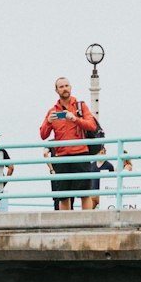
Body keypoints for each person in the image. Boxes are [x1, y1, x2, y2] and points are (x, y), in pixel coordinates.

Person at [39, 77, 98, 210]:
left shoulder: (80, 106)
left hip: (81, 154)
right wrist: (48, 122)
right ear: (56, 90)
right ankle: (65, 225)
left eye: (67, 85)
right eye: (61, 86)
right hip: (61, 157)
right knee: (63, 195)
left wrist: (75, 119)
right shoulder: (52, 111)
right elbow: (43, 135)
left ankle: (86, 222)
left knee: (85, 193)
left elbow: (92, 126)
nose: (65, 88)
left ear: (71, 87)